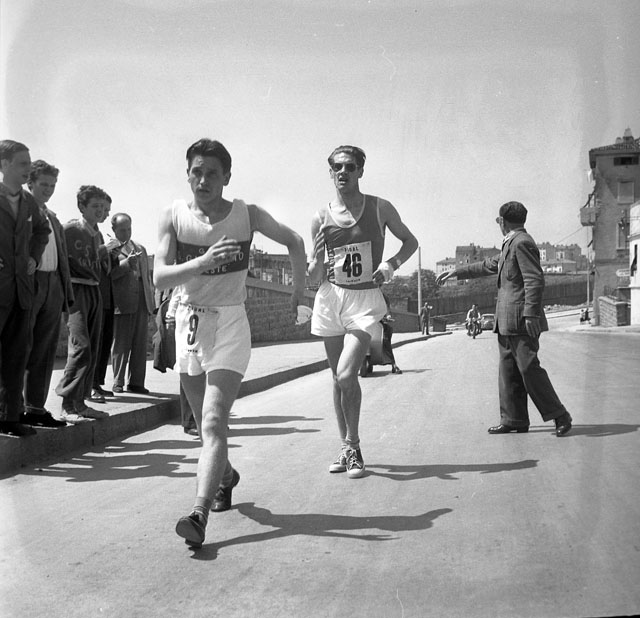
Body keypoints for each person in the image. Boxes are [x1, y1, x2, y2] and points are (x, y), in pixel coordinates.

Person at [154, 138, 306, 548]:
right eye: (196, 172)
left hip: (231, 323)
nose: (203, 181)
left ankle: (198, 514)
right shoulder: (173, 216)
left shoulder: (246, 215)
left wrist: (298, 290)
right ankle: (226, 475)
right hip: (189, 322)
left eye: (212, 174)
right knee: (204, 428)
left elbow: (294, 241)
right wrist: (203, 262)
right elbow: (160, 276)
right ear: (187, 174)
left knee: (213, 421)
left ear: (227, 178)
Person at [307, 145, 418, 478]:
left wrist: (391, 264)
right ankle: (346, 448)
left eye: (350, 167)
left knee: (346, 375)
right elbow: (314, 276)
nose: (343, 172)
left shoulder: (380, 207)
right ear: (330, 173)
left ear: (360, 171)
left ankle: (354, 446)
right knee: (336, 379)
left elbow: (410, 242)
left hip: (365, 300)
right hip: (331, 297)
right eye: (337, 167)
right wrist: (316, 260)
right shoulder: (320, 218)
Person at [435, 201, 572, 437]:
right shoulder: (510, 243)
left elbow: (534, 280)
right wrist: (457, 271)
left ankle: (560, 415)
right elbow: (488, 264)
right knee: (509, 371)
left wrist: (531, 314)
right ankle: (514, 419)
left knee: (528, 368)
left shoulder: (522, 242)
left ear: (502, 221)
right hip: (507, 320)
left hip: (522, 320)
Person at [0, 140, 51, 437]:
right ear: (4, 165)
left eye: (29, 164)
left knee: (16, 355)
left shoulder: (29, 202)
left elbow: (42, 231)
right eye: (22, 163)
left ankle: (9, 418)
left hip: (22, 290)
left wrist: (33, 256)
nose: (28, 169)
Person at [22, 160, 74, 428]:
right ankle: (8, 409)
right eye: (44, 184)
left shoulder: (52, 217)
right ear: (29, 183)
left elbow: (62, 257)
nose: (49, 190)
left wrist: (64, 292)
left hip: (53, 284)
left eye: (53, 185)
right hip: (28, 283)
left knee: (45, 349)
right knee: (19, 347)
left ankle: (35, 408)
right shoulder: (18, 210)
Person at [55, 185, 110, 423]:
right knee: (81, 346)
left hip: (94, 289)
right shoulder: (69, 229)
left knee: (94, 348)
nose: (100, 211)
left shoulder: (97, 234)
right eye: (95, 206)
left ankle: (81, 403)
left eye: (103, 207)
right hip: (75, 290)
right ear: (82, 207)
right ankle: (67, 404)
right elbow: (58, 258)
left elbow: (95, 262)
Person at [108, 212, 155, 394]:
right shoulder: (110, 250)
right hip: (123, 302)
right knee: (121, 343)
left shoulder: (140, 248)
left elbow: (147, 279)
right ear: (114, 230)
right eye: (122, 230)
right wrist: (126, 264)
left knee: (140, 344)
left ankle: (136, 382)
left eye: (129, 229)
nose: (127, 233)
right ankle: (118, 381)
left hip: (141, 301)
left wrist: (150, 303)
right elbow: (109, 275)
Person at [90, 195, 116, 403]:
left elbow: (106, 267)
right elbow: (88, 258)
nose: (105, 213)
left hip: (106, 297)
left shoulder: (98, 233)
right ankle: (89, 386)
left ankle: (97, 382)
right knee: (93, 343)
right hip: (94, 295)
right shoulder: (85, 232)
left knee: (104, 343)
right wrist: (106, 249)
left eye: (107, 210)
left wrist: (112, 254)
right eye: (101, 208)